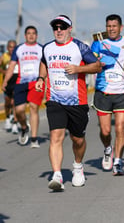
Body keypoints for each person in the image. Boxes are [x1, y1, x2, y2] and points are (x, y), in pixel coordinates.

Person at [35, 15, 101, 191]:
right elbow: (44, 63)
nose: (58, 30)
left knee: (77, 139)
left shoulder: (79, 47)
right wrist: (41, 78)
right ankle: (57, 175)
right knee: (56, 136)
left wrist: (78, 69)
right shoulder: (48, 48)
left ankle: (78, 166)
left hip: (77, 102)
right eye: (55, 27)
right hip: (54, 100)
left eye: (62, 27)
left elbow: (97, 66)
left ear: (69, 29)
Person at [91, 14, 124, 176]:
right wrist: (97, 64)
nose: (111, 29)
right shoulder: (98, 43)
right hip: (103, 91)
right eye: (108, 26)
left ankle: (118, 161)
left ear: (121, 27)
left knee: (120, 127)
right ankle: (107, 149)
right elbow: (91, 62)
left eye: (114, 26)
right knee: (105, 131)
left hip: (122, 91)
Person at [2, 27, 44, 148]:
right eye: (29, 33)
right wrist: (5, 81)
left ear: (36, 35)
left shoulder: (41, 49)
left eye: (33, 33)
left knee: (33, 108)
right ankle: (24, 127)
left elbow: (45, 67)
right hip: (21, 82)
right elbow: (11, 66)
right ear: (25, 36)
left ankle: (34, 139)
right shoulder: (19, 49)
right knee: (19, 111)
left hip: (35, 83)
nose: (31, 36)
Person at [0, 40, 18, 133]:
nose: (12, 49)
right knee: (7, 103)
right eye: (10, 47)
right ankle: (8, 118)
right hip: (7, 83)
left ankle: (15, 123)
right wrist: (5, 72)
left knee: (14, 103)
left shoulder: (19, 56)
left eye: (14, 47)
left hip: (16, 82)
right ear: (7, 48)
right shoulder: (4, 57)